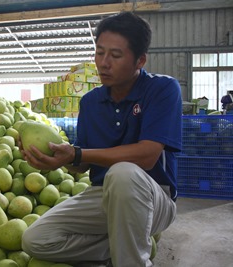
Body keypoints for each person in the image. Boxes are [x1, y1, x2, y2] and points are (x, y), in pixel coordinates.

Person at [20, 11, 182, 267]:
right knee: (36, 239)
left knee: (123, 174)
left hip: (154, 200)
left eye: (115, 55)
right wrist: (56, 161)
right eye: (99, 52)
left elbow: (147, 155)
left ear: (140, 60)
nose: (103, 63)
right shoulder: (90, 102)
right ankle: (122, 247)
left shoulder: (162, 89)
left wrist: (78, 153)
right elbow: (82, 164)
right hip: (103, 195)